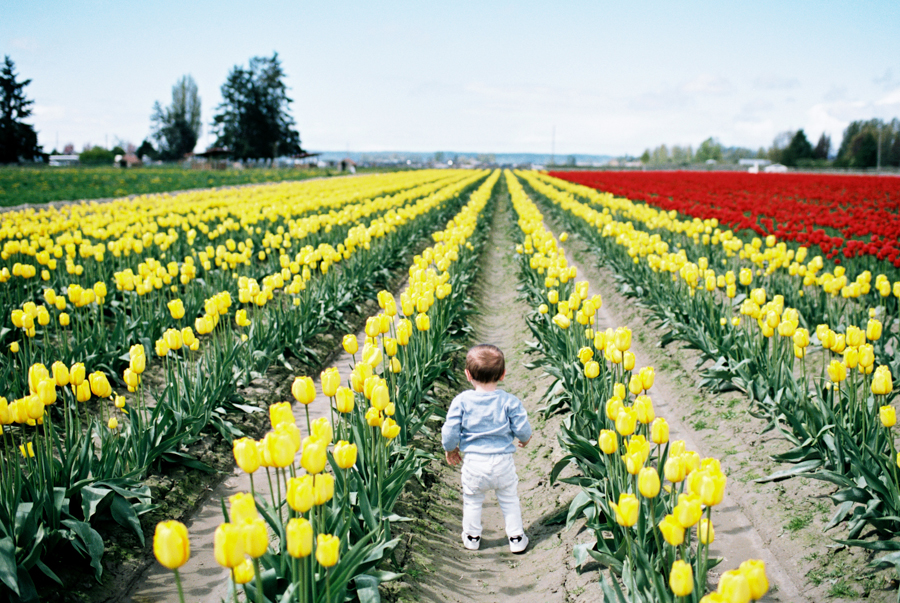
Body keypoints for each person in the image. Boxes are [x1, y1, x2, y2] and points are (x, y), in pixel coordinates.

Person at [441, 344, 532, 553]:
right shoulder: (509, 401)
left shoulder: (462, 401)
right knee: (509, 499)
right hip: (502, 462)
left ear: (467, 374)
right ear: (502, 375)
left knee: (472, 500)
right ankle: (516, 538)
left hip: (474, 463)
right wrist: (524, 439)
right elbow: (521, 426)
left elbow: (450, 430)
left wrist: (450, 448)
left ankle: (472, 537)